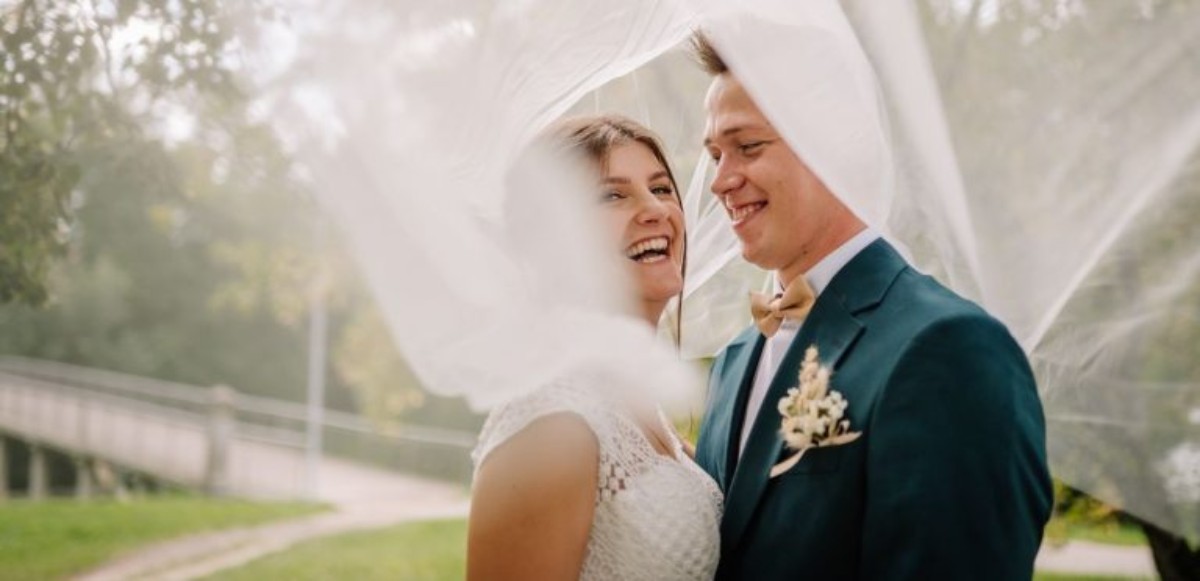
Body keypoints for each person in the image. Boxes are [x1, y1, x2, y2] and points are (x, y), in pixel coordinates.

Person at [689, 31, 1054, 580]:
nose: (719, 181)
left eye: (747, 146)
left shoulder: (947, 348)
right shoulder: (733, 363)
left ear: (831, 143)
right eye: (715, 154)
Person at [467, 115, 722, 580]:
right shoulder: (550, 416)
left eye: (662, 188)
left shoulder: (639, 399)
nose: (655, 210)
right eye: (613, 195)